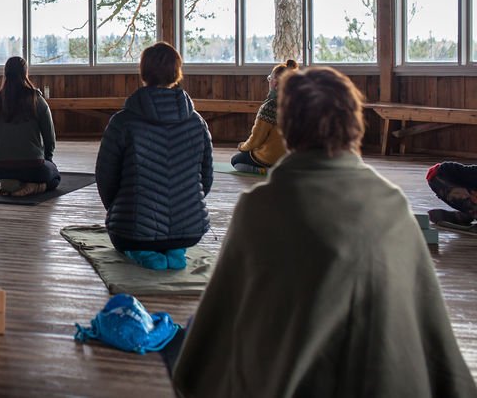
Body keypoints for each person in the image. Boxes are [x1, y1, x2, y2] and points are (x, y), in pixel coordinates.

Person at [172, 67, 477, 398]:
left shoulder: (261, 208)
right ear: (354, 124)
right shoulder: (391, 206)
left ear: (288, 129)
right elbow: (434, 338)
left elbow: (215, 334)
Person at [94, 42, 212, 271]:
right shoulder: (197, 122)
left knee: (128, 238)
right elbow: (206, 177)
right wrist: (185, 207)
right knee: (173, 238)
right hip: (190, 230)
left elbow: (105, 176)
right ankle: (175, 252)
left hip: (133, 232)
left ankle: (145, 253)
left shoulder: (123, 122)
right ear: (177, 73)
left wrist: (117, 209)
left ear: (143, 73)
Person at [0, 56, 60, 197]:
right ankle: (32, 187)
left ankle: (7, 184)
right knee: (55, 176)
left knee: (13, 172)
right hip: (32, 166)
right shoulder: (36, 100)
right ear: (25, 73)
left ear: (5, 73)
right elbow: (50, 138)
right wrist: (48, 159)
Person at [229, 59, 299, 175]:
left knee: (236, 161)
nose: (269, 81)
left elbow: (256, 139)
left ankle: (266, 171)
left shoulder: (270, 106)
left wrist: (243, 147)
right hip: (291, 159)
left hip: (270, 158)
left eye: (269, 78)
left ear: (275, 83)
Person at [426, 161, 477, 228]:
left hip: (444, 176)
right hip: (440, 176)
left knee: (471, 206)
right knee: (471, 203)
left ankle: (463, 216)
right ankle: (466, 215)